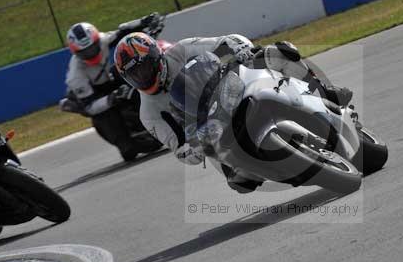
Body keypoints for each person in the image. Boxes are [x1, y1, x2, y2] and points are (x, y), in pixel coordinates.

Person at [113, 32, 353, 192]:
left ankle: (325, 92)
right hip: (211, 127)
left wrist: (242, 50)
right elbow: (176, 144)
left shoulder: (182, 50)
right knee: (241, 182)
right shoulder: (148, 112)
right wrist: (189, 150)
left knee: (278, 52)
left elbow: (225, 42)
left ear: (157, 56)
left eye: (144, 69)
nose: (142, 77)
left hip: (231, 88)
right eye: (135, 75)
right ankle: (286, 170)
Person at [63, 14, 163, 161]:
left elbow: (124, 32)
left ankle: (156, 111)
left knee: (131, 69)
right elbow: (90, 106)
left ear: (97, 40)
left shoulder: (103, 40)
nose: (91, 53)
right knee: (128, 150)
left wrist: (145, 22)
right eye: (84, 52)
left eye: (93, 47)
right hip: (96, 96)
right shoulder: (75, 76)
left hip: (108, 79)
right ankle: (125, 140)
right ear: (76, 52)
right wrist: (113, 97)